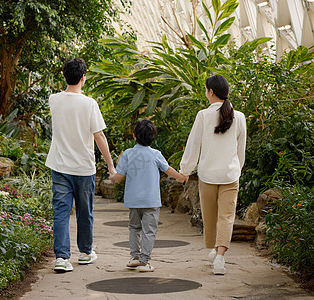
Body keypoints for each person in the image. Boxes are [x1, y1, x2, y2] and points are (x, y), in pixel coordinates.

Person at [45, 58, 116, 273]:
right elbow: (99, 136)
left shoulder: (53, 100)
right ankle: (85, 253)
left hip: (59, 166)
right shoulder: (89, 104)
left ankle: (61, 258)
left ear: (65, 76)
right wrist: (111, 167)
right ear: (83, 77)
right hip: (84, 168)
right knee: (85, 212)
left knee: (61, 212)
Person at [180, 74, 246, 275]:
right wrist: (237, 169)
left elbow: (193, 146)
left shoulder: (203, 115)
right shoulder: (240, 117)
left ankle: (215, 251)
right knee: (226, 216)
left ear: (211, 92)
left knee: (210, 216)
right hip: (230, 174)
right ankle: (220, 256)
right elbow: (240, 150)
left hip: (208, 174)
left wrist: (185, 170)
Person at [110, 119, 187, 272]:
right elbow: (168, 169)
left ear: (134, 136)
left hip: (133, 201)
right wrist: (180, 177)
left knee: (134, 228)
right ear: (153, 137)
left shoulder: (127, 154)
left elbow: (118, 176)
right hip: (151, 201)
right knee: (149, 230)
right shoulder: (156, 154)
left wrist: (112, 176)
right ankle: (144, 262)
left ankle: (135, 257)